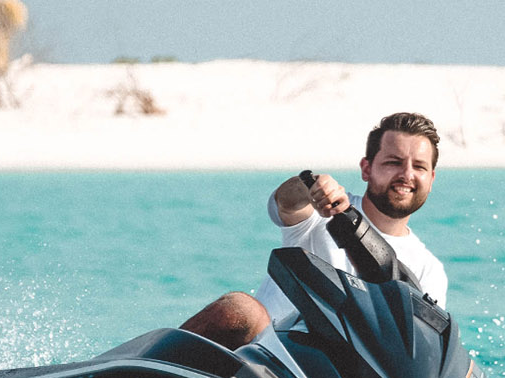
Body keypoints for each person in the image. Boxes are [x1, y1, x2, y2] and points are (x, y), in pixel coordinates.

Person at [181, 112, 449, 349]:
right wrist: (310, 187)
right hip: (264, 359)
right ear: (366, 169)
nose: (406, 175)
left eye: (419, 167)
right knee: (242, 309)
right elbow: (286, 203)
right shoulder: (324, 209)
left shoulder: (430, 271)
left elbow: (420, 351)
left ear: (432, 179)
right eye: (393, 162)